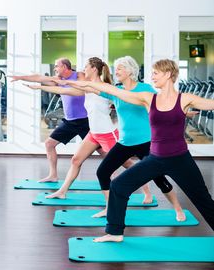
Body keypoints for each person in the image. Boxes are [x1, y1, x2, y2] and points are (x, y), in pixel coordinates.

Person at [74, 59, 214, 242]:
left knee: (202, 199)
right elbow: (114, 91)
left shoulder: (185, 99)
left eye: (156, 73)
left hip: (180, 159)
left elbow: (211, 104)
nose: (152, 76)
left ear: (168, 74)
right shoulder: (149, 98)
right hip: (155, 158)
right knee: (118, 186)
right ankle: (115, 232)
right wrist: (82, 83)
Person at [64, 56, 185, 221]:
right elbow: (92, 86)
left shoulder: (145, 89)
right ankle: (109, 208)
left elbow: (164, 104)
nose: (116, 71)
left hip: (145, 142)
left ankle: (178, 209)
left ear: (129, 71)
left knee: (158, 178)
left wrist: (183, 110)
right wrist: (69, 82)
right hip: (125, 142)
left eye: (120, 68)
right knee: (102, 172)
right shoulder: (117, 90)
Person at [24, 57, 140, 200]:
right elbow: (62, 89)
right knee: (76, 160)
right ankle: (62, 191)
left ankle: (145, 190)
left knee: (126, 163)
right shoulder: (86, 87)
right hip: (94, 133)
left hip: (107, 134)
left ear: (94, 69)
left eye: (86, 66)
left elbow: (124, 101)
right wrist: (40, 87)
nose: (83, 69)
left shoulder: (106, 88)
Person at [10, 58, 89, 182]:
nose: (55, 69)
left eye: (57, 66)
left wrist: (64, 82)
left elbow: (82, 89)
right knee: (49, 144)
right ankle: (53, 175)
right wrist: (20, 77)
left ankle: (123, 169)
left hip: (85, 121)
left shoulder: (79, 75)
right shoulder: (58, 80)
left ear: (64, 66)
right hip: (69, 121)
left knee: (103, 151)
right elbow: (39, 78)